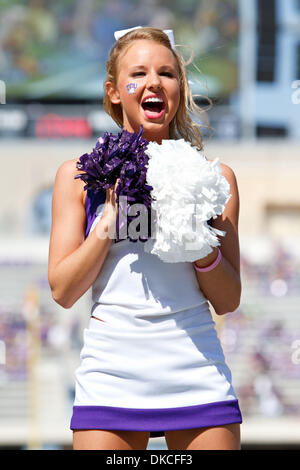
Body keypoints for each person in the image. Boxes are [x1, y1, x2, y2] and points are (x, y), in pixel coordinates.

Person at [48, 27, 242, 450]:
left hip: (195, 369)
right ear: (115, 91)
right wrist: (109, 218)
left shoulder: (214, 179)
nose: (154, 82)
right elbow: (63, 290)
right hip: (112, 374)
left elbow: (228, 300)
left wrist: (196, 236)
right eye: (139, 73)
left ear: (178, 88)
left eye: (167, 74)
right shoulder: (77, 177)